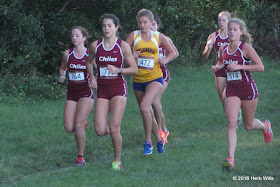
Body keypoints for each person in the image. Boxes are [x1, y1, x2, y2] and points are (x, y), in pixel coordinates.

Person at [211, 18, 273, 170]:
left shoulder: (245, 48)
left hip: (247, 89)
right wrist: (217, 67)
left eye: (235, 29)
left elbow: (260, 67)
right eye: (230, 29)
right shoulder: (223, 49)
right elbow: (221, 62)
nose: (231, 32)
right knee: (232, 123)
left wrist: (240, 66)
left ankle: (265, 126)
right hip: (231, 89)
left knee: (248, 125)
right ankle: (230, 159)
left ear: (241, 32)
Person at [86, 14, 137, 170]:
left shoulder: (122, 46)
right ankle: (116, 136)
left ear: (116, 27)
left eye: (109, 26)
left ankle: (117, 160)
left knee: (114, 127)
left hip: (118, 89)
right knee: (100, 130)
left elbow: (134, 69)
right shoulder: (96, 45)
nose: (106, 29)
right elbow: (88, 63)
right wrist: (92, 77)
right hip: (102, 89)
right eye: (104, 26)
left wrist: (118, 70)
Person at [126, 9, 176, 155]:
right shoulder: (133, 36)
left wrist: (165, 59)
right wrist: (130, 55)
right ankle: (159, 140)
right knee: (146, 112)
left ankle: (148, 142)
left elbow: (173, 51)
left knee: (144, 107)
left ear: (151, 22)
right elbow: (120, 52)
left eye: (145, 22)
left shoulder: (158, 36)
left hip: (155, 78)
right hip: (138, 79)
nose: (142, 25)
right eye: (140, 22)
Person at [58, 26, 95, 165]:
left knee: (78, 125)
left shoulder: (89, 55)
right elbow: (62, 68)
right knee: (69, 128)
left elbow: (100, 69)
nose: (74, 38)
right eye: (72, 35)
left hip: (86, 91)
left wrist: (95, 80)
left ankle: (80, 156)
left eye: (77, 35)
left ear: (84, 38)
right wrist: (62, 75)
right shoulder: (68, 54)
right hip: (71, 92)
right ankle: (82, 124)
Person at [202, 12, 242, 126]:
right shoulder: (213, 36)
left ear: (228, 21)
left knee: (234, 94)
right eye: (219, 20)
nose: (221, 23)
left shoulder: (233, 34)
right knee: (223, 97)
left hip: (233, 68)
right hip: (219, 68)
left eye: (224, 20)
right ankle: (233, 117)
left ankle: (235, 117)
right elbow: (204, 57)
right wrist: (208, 48)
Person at [150, 14, 179, 143]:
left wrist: (166, 59)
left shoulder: (163, 38)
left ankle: (161, 131)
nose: (150, 27)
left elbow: (175, 53)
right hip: (148, 74)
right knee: (152, 103)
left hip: (162, 73)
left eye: (153, 25)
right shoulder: (141, 40)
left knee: (155, 100)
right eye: (148, 24)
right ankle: (163, 128)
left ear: (158, 25)